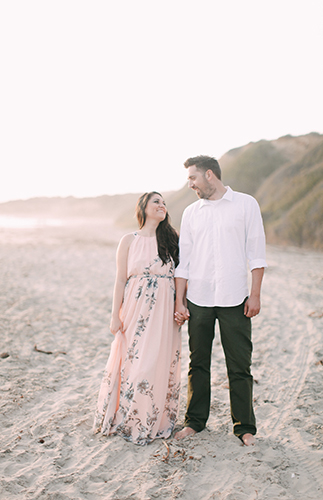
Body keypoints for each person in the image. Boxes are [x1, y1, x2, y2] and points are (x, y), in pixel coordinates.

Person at [174, 155, 267, 446]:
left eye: (193, 178)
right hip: (199, 298)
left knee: (239, 365)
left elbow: (257, 252)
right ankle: (194, 422)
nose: (190, 184)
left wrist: (255, 294)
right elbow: (184, 262)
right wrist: (180, 301)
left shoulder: (246, 204)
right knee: (198, 363)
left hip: (235, 298)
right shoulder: (190, 213)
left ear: (210, 175)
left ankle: (245, 427)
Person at [93, 192, 181, 445]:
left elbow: (180, 276)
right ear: (142, 207)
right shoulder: (128, 240)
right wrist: (114, 315)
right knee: (133, 360)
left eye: (164, 202)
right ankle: (128, 416)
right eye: (156, 201)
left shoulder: (172, 239)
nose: (162, 205)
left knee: (155, 361)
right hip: (135, 307)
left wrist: (180, 304)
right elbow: (120, 279)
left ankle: (151, 418)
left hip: (164, 309)